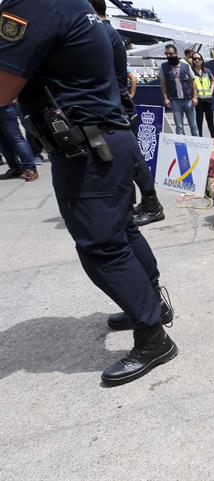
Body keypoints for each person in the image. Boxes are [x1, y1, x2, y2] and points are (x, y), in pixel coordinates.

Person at [0, 0, 177, 386]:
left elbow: (3, 87)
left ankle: (152, 337)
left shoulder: (32, 5)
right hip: (105, 138)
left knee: (101, 246)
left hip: (87, 149)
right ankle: (150, 308)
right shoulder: (76, 6)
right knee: (123, 233)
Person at [90, 0, 164, 226]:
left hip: (113, 104)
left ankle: (150, 204)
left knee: (130, 156)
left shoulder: (99, 33)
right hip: (117, 102)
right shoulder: (109, 32)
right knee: (128, 155)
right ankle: (139, 202)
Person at [160, 44, 199, 137]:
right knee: (179, 127)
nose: (168, 56)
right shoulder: (163, 67)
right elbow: (163, 84)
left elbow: (193, 81)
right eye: (166, 54)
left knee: (193, 125)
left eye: (170, 53)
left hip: (188, 100)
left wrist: (195, 97)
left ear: (176, 53)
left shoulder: (186, 66)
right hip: (175, 100)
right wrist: (165, 98)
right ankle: (182, 149)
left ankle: (198, 148)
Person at [0, 102, 38, 181]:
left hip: (3, 104)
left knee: (15, 137)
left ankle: (30, 168)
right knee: (2, 141)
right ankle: (15, 168)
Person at [192, 52, 214, 138]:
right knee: (199, 122)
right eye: (195, 59)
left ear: (202, 60)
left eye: (199, 58)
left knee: (210, 121)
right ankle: (200, 140)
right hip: (198, 101)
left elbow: (213, 80)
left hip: (208, 100)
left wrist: (211, 90)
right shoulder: (191, 72)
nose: (197, 60)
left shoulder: (207, 71)